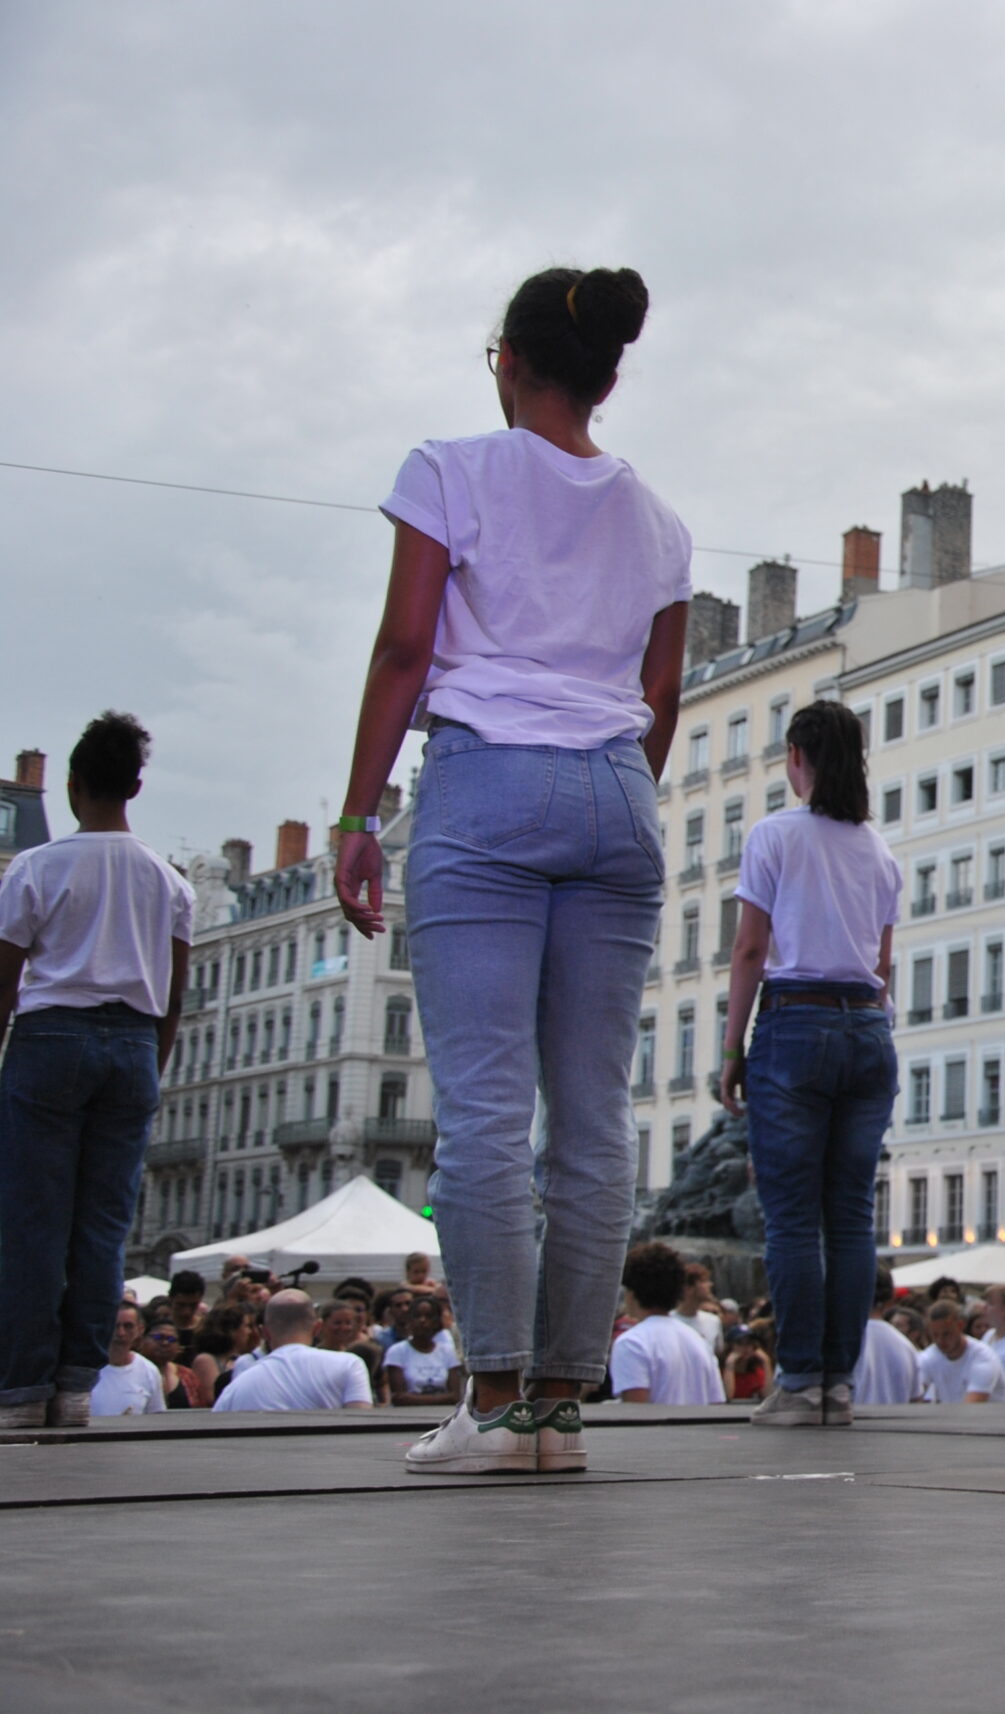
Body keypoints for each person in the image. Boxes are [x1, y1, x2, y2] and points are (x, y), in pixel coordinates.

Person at [335, 265, 688, 1476]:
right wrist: (612, 783)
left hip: (487, 780)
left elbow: (403, 647)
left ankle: (487, 1401)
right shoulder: (660, 521)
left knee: (483, 1108)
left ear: (508, 361)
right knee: (593, 1120)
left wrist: (356, 815)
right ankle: (558, 1412)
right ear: (607, 373)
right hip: (616, 791)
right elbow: (662, 698)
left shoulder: (450, 471)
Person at [0, 712, 195, 1431]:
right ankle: (77, 1386)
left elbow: (4, 980)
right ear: (135, 787)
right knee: (103, 1227)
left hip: (51, 1036)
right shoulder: (168, 881)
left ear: (74, 785)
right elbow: (176, 995)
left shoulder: (37, 866)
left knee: (31, 1222)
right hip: (135, 1044)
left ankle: (21, 1390)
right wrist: (152, 1064)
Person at [717, 698, 902, 1431]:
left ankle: (796, 1381)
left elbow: (750, 951)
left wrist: (732, 1048)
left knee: (792, 1218)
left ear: (798, 758)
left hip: (795, 1023)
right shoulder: (879, 851)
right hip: (867, 1028)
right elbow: (885, 964)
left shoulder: (774, 836)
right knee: (851, 1216)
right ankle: (837, 1383)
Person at [212, 1292, 373, 1412]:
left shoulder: (234, 1389)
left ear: (264, 1333)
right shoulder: (350, 1365)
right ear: (317, 1328)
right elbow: (361, 1426)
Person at [609, 1243, 725, 1408]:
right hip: (699, 1433)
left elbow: (634, 1414)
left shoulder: (631, 1343)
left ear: (632, 1292)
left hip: (656, 1434)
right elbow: (716, 1404)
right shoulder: (699, 1342)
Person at [850, 1267, 918, 1407]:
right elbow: (916, 1400)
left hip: (854, 1425)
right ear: (891, 1299)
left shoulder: (843, 1342)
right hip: (895, 1426)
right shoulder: (907, 1347)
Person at [914, 1301, 1005, 1403]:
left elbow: (974, 1404)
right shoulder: (928, 1357)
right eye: (935, 1335)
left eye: (946, 1334)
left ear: (960, 1326)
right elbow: (915, 1395)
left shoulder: (983, 1356)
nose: (940, 1341)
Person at [88, 1304, 167, 1418]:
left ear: (140, 1329)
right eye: (115, 1326)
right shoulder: (86, 1368)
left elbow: (156, 1417)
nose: (121, 1333)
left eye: (128, 1326)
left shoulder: (149, 1371)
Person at [382, 1296, 463, 1408]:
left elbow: (455, 1396)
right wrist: (442, 1398)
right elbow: (399, 1397)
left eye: (429, 1316)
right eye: (417, 1316)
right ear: (409, 1320)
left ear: (437, 1322)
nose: (422, 1320)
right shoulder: (396, 1352)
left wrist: (413, 1398)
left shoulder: (448, 1352)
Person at [677, 1263, 725, 1355]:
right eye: (704, 1281)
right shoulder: (669, 1320)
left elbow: (717, 1353)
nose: (710, 1284)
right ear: (688, 1288)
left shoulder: (713, 1321)